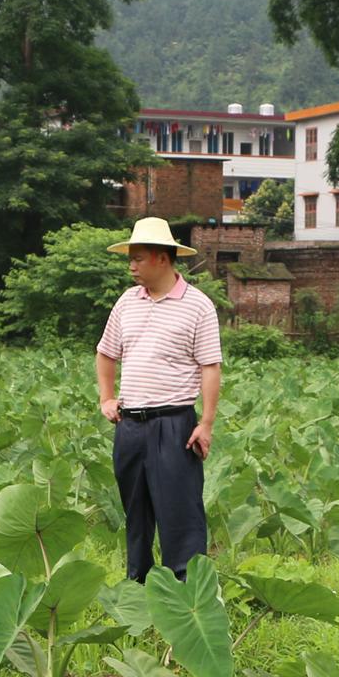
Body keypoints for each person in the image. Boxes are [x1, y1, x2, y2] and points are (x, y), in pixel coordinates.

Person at [96, 216, 222, 582]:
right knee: (136, 515)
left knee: (179, 513)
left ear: (163, 259)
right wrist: (107, 397)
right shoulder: (126, 302)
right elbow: (106, 353)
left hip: (175, 425)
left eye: (138, 258)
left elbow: (210, 367)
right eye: (129, 258)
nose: (131, 266)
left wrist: (206, 423)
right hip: (130, 426)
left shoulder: (198, 305)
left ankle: (187, 593)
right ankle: (138, 587)